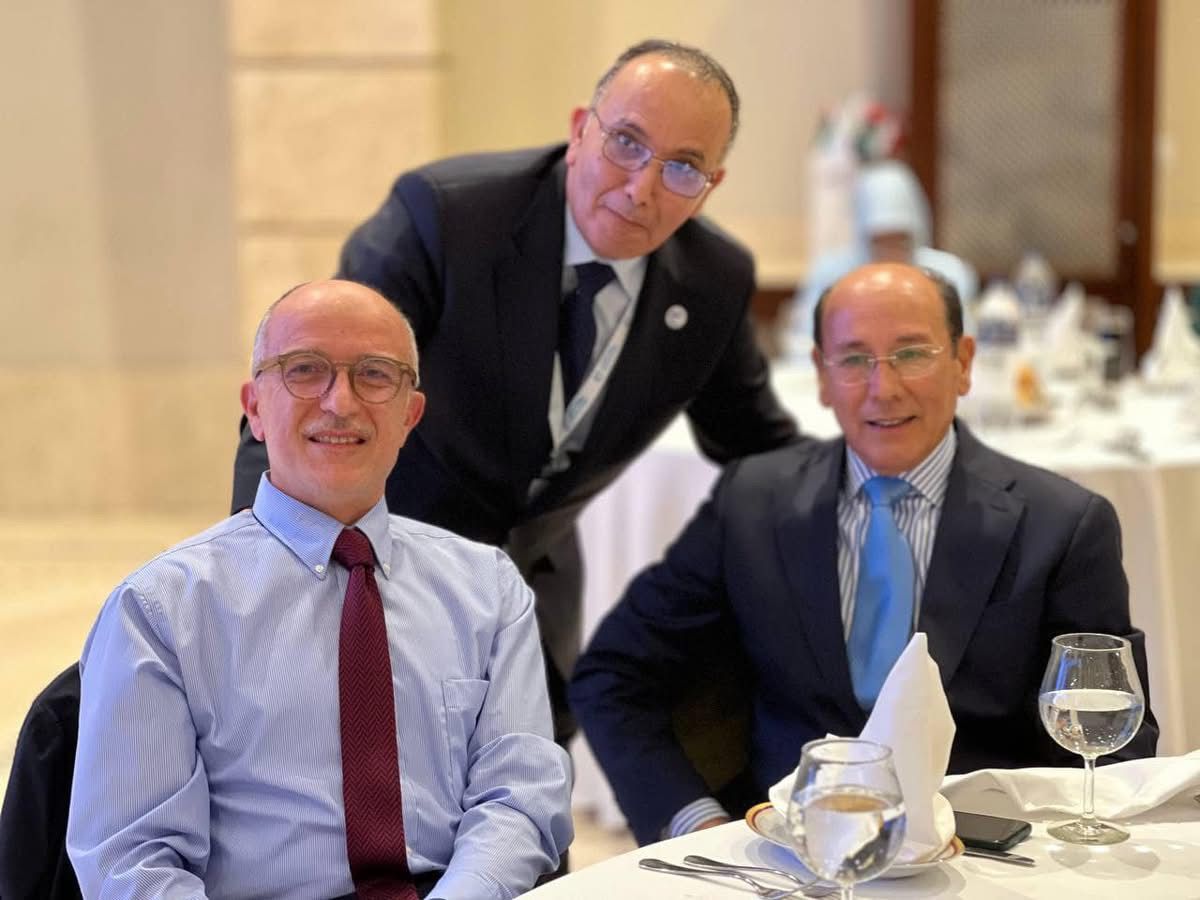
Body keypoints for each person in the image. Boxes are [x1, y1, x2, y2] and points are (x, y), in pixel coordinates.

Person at [230, 39, 799, 743]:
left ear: (712, 184)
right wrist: (261, 585)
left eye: (682, 167)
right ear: (579, 129)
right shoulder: (447, 218)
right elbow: (306, 395)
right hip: (377, 569)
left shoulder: (712, 280)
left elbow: (756, 446)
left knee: (529, 798)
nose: (642, 187)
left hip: (532, 596)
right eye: (626, 143)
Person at [570, 263, 1158, 846]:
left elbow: (1112, 740)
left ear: (963, 363)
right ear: (821, 377)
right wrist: (696, 821)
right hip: (790, 857)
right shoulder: (752, 503)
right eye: (853, 360)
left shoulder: (1061, 525)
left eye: (912, 353)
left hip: (982, 860)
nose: (884, 387)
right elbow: (612, 675)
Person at [68, 280, 572, 899]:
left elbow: (518, 797)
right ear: (255, 408)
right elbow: (132, 861)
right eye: (304, 370)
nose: (340, 402)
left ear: (410, 416)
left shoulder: (487, 589)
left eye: (375, 375)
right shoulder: (161, 610)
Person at [786, 159, 979, 359]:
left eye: (900, 239)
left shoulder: (949, 273)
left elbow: (961, 348)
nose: (891, 252)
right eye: (880, 241)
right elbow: (804, 346)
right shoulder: (830, 275)